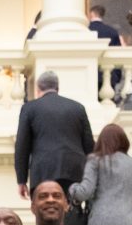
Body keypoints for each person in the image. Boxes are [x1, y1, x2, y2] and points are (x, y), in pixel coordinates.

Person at [15, 71, 95, 202]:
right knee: (71, 210)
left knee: (46, 210)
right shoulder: (78, 108)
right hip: (73, 172)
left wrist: (21, 180)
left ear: (38, 89)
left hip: (43, 172)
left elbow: (22, 146)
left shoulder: (29, 108)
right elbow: (89, 146)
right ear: (57, 88)